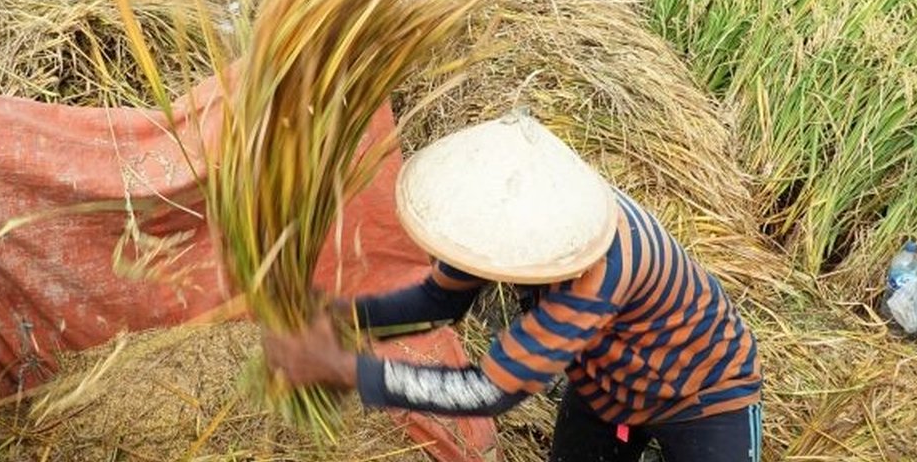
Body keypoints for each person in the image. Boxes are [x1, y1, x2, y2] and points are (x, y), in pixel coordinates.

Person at [263, 112, 763, 462]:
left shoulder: (599, 267)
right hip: (603, 386)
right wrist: (342, 317)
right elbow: (440, 303)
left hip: (701, 393)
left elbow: (488, 392)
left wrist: (347, 370)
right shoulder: (499, 217)